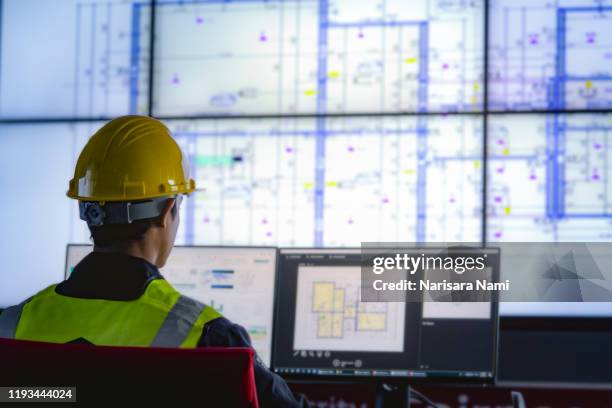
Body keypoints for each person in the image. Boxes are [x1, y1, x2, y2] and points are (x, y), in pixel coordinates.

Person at [0, 116, 309, 407]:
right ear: (167, 212)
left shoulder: (10, 326)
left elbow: (38, 396)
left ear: (89, 213)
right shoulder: (210, 338)